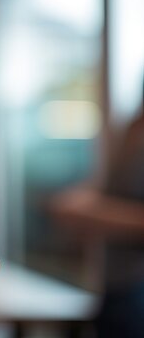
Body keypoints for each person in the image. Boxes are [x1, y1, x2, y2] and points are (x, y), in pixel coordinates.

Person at [51, 82, 144, 337]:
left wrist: (91, 214)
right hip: (117, 284)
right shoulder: (130, 129)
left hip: (136, 287)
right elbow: (108, 187)